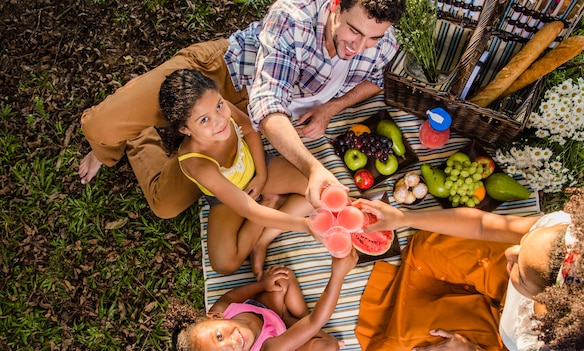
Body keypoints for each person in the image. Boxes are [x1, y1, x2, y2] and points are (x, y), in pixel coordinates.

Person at [78, 0, 406, 218]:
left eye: (372, 38)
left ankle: (140, 135)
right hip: (220, 76)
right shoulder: (293, 15)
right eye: (354, 31)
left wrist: (331, 108)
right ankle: (107, 148)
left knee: (166, 205)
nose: (358, 47)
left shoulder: (383, 42)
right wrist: (311, 168)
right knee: (100, 129)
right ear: (337, 3)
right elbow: (267, 102)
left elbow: (377, 79)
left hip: (239, 121)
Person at [353, 177, 584, 351]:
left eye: (520, 268)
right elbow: (482, 226)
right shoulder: (567, 236)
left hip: (499, 340)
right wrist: (405, 218)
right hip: (507, 283)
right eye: (523, 246)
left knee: (404, 342)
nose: (510, 252)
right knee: (426, 244)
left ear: (546, 306)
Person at [159, 69, 312, 276]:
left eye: (219, 105)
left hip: (257, 168)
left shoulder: (224, 110)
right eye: (204, 120)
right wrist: (306, 225)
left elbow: (249, 129)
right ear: (185, 129)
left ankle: (262, 240)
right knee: (225, 264)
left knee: (314, 189)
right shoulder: (197, 163)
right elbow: (246, 208)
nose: (220, 121)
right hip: (227, 199)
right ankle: (269, 202)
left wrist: (262, 175)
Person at [164, 250, 358, 351]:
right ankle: (298, 326)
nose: (232, 344)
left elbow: (232, 296)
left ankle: (297, 323)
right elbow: (317, 320)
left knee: (281, 277)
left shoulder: (221, 307)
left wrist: (262, 285)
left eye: (219, 337)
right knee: (329, 348)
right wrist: (338, 274)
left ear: (215, 316)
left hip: (265, 313)